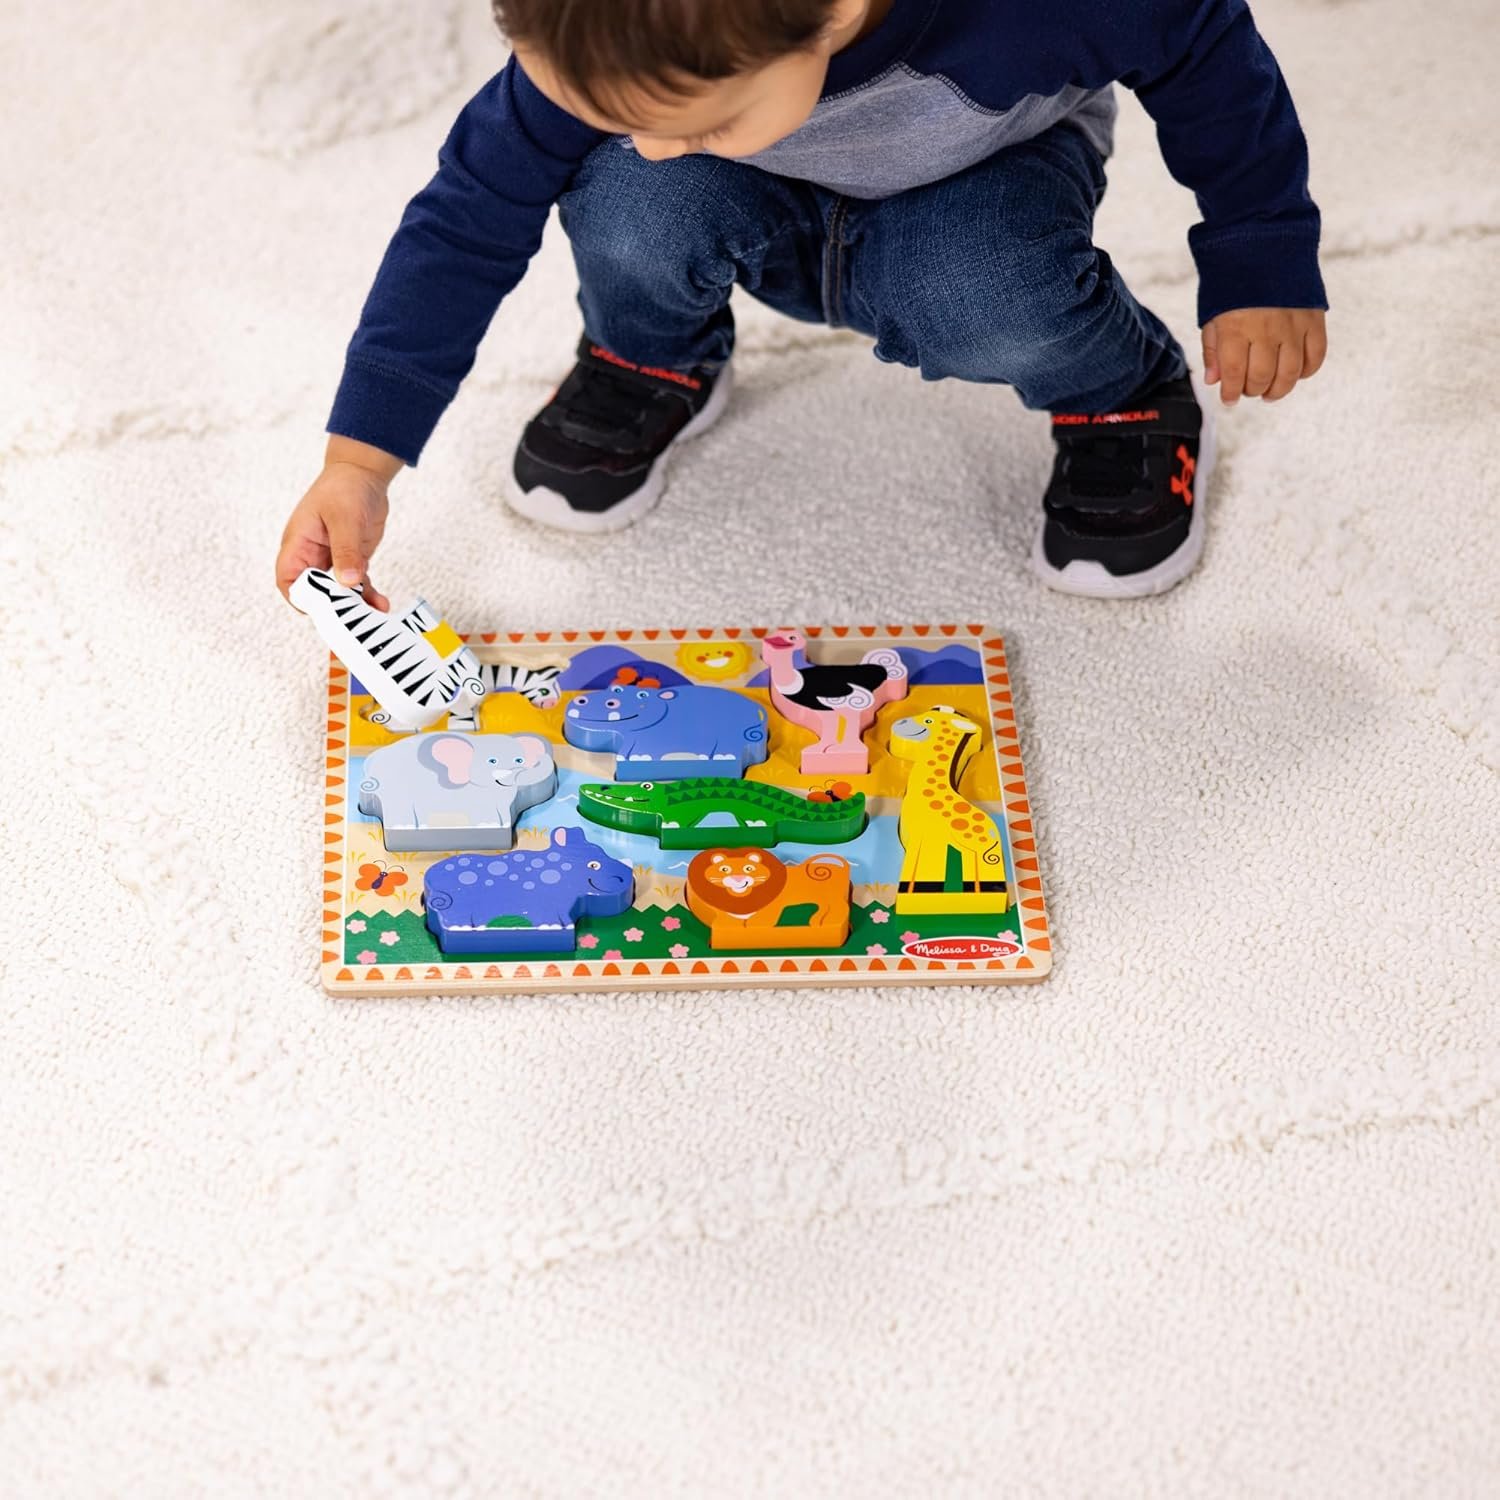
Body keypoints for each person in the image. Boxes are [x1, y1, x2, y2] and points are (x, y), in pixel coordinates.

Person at [275, 0, 1328, 608]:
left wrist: (1261, 255)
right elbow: (467, 219)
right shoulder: (608, 32)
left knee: (983, 286)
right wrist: (360, 461)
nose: (653, 146)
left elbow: (1206, 49)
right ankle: (653, 355)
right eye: (616, 115)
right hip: (761, 184)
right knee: (628, 199)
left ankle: (1122, 392)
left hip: (985, 170)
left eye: (694, 120)